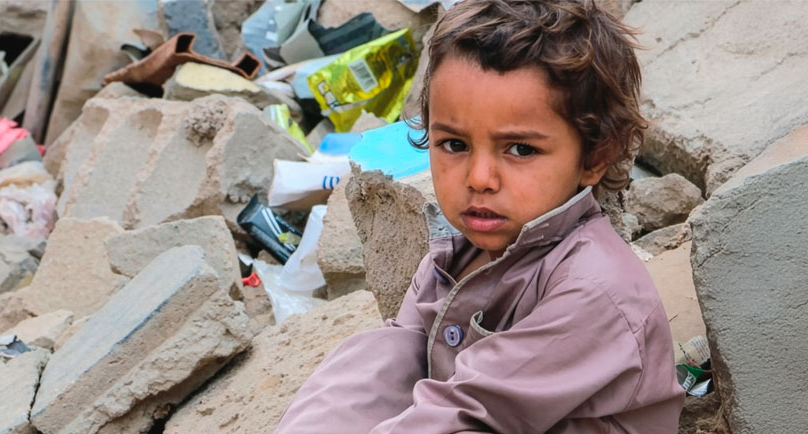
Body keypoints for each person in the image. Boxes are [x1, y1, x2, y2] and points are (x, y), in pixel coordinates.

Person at [275, 0, 685, 432]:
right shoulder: (454, 256)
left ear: (595, 157)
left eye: (521, 149)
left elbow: (465, 411)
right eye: (455, 144)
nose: (479, 178)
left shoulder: (591, 290)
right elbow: (384, 366)